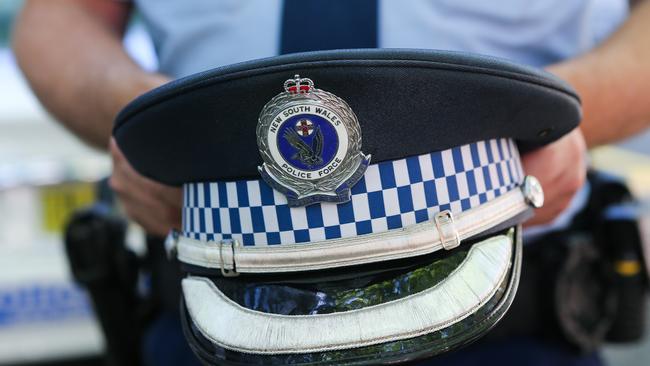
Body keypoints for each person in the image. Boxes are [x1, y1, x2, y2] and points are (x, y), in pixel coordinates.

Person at [11, 1, 650, 365]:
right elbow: (61, 17)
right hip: (216, 300)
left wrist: (561, 111)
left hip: (505, 294)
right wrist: (136, 118)